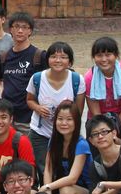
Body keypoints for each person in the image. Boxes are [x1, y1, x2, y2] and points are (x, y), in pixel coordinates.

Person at [26, 41, 85, 175]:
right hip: (41, 133)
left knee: (64, 170)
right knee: (43, 169)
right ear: (47, 60)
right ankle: (46, 188)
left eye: (63, 57)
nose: (58, 60)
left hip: (66, 134)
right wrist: (38, 108)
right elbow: (29, 100)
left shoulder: (77, 80)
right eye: (53, 56)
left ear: (70, 62)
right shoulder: (37, 78)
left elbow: (78, 112)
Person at [39, 104, 92, 194]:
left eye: (69, 119)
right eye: (60, 119)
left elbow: (72, 178)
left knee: (66, 190)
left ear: (76, 122)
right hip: (64, 193)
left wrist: (48, 187)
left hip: (86, 192)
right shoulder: (54, 141)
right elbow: (48, 169)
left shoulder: (81, 144)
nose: (64, 123)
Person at [0, 11, 46, 133]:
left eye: (24, 27)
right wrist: (1, 89)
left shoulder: (39, 56)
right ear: (10, 30)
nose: (20, 31)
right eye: (16, 26)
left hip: (29, 118)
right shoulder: (3, 57)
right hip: (7, 117)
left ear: (30, 31)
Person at [84, 37, 121, 143]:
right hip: (98, 122)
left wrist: (114, 132)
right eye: (99, 55)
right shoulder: (90, 76)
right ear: (94, 57)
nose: (104, 59)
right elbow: (95, 112)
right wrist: (105, 134)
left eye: (108, 54)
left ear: (116, 55)